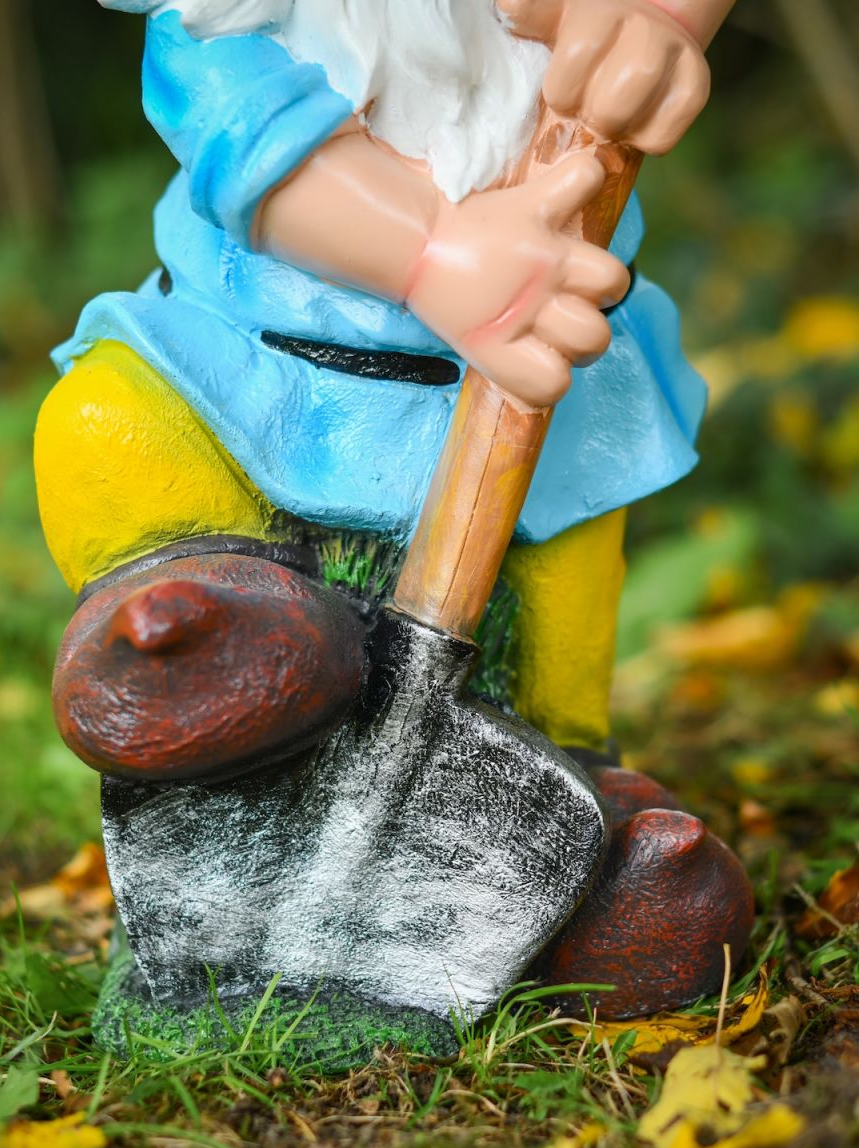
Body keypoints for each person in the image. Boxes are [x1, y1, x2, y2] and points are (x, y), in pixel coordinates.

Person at [38, 0, 751, 1020]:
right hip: (256, 374)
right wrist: (429, 254)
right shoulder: (228, 22)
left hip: (541, 398)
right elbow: (261, 148)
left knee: (567, 568)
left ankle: (583, 830)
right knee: (105, 421)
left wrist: (664, 19)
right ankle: (202, 639)